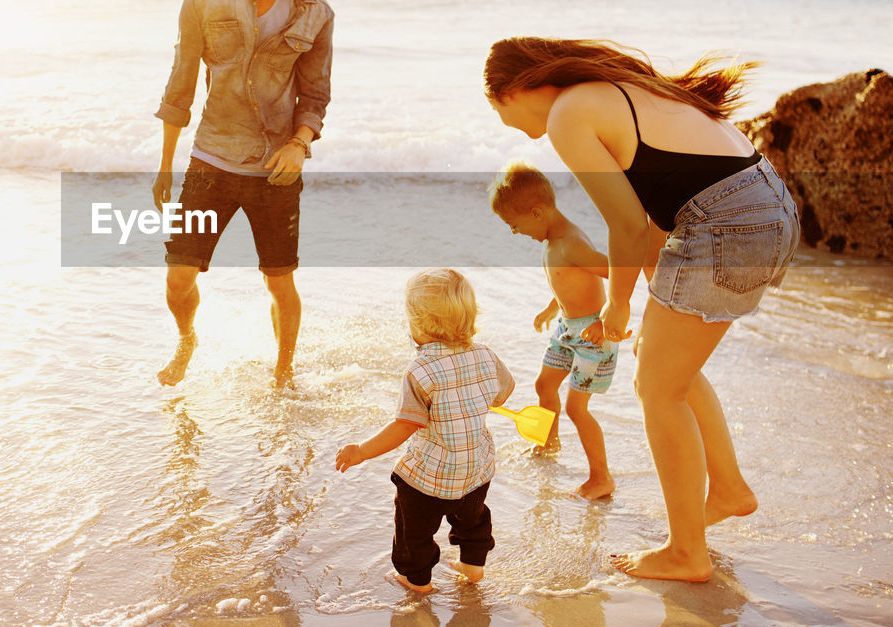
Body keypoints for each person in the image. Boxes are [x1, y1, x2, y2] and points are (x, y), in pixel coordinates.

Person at [484, 37, 800, 582]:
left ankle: (686, 554)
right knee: (669, 370)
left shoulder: (568, 113)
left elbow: (625, 224)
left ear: (515, 89)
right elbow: (664, 203)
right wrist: (651, 293)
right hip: (769, 210)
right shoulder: (618, 91)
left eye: (498, 109)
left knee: (658, 390)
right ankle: (727, 489)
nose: (506, 125)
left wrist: (618, 304)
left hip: (730, 225)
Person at [151, 0, 334, 389]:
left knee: (280, 281)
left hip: (275, 170)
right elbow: (180, 84)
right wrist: (166, 164)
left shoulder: (315, 11)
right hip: (211, 160)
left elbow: (316, 95)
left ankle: (283, 374)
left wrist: (299, 144)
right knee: (177, 279)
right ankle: (187, 339)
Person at [335, 269, 515, 593]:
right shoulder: (486, 355)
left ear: (418, 326)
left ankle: (416, 579)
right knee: (473, 520)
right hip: (476, 470)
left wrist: (361, 451)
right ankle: (473, 567)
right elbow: (504, 391)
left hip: (428, 480)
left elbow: (406, 425)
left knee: (413, 533)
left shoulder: (420, 370)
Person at [488, 160, 618, 500]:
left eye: (514, 226)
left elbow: (618, 273)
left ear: (536, 213)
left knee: (578, 408)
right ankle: (549, 442)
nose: (516, 233)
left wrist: (607, 318)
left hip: (593, 334)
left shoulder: (572, 243)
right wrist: (552, 306)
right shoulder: (552, 240)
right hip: (565, 329)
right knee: (544, 385)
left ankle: (601, 477)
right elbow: (567, 280)